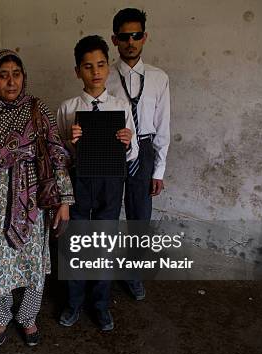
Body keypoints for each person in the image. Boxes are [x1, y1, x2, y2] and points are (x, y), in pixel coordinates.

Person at [0, 49, 74, 346]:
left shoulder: (37, 110)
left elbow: (57, 155)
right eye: (3, 75)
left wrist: (64, 201)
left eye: (16, 74)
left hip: (33, 203)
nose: (11, 82)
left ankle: (28, 317)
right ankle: (0, 317)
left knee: (33, 263)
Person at [57, 35, 138, 331]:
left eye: (101, 64)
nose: (95, 72)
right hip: (79, 182)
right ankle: (74, 302)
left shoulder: (120, 106)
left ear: (108, 67)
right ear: (77, 71)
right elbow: (59, 157)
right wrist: (70, 142)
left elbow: (134, 153)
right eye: (88, 66)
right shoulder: (67, 108)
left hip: (111, 183)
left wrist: (128, 143)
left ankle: (100, 305)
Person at [107, 8, 171, 301]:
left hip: (143, 149)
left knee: (139, 215)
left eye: (136, 35)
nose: (130, 42)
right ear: (114, 40)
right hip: (110, 146)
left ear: (145, 37)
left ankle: (132, 274)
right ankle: (102, 273)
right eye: (124, 36)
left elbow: (162, 126)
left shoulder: (159, 78)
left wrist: (158, 170)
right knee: (105, 212)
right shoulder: (103, 75)